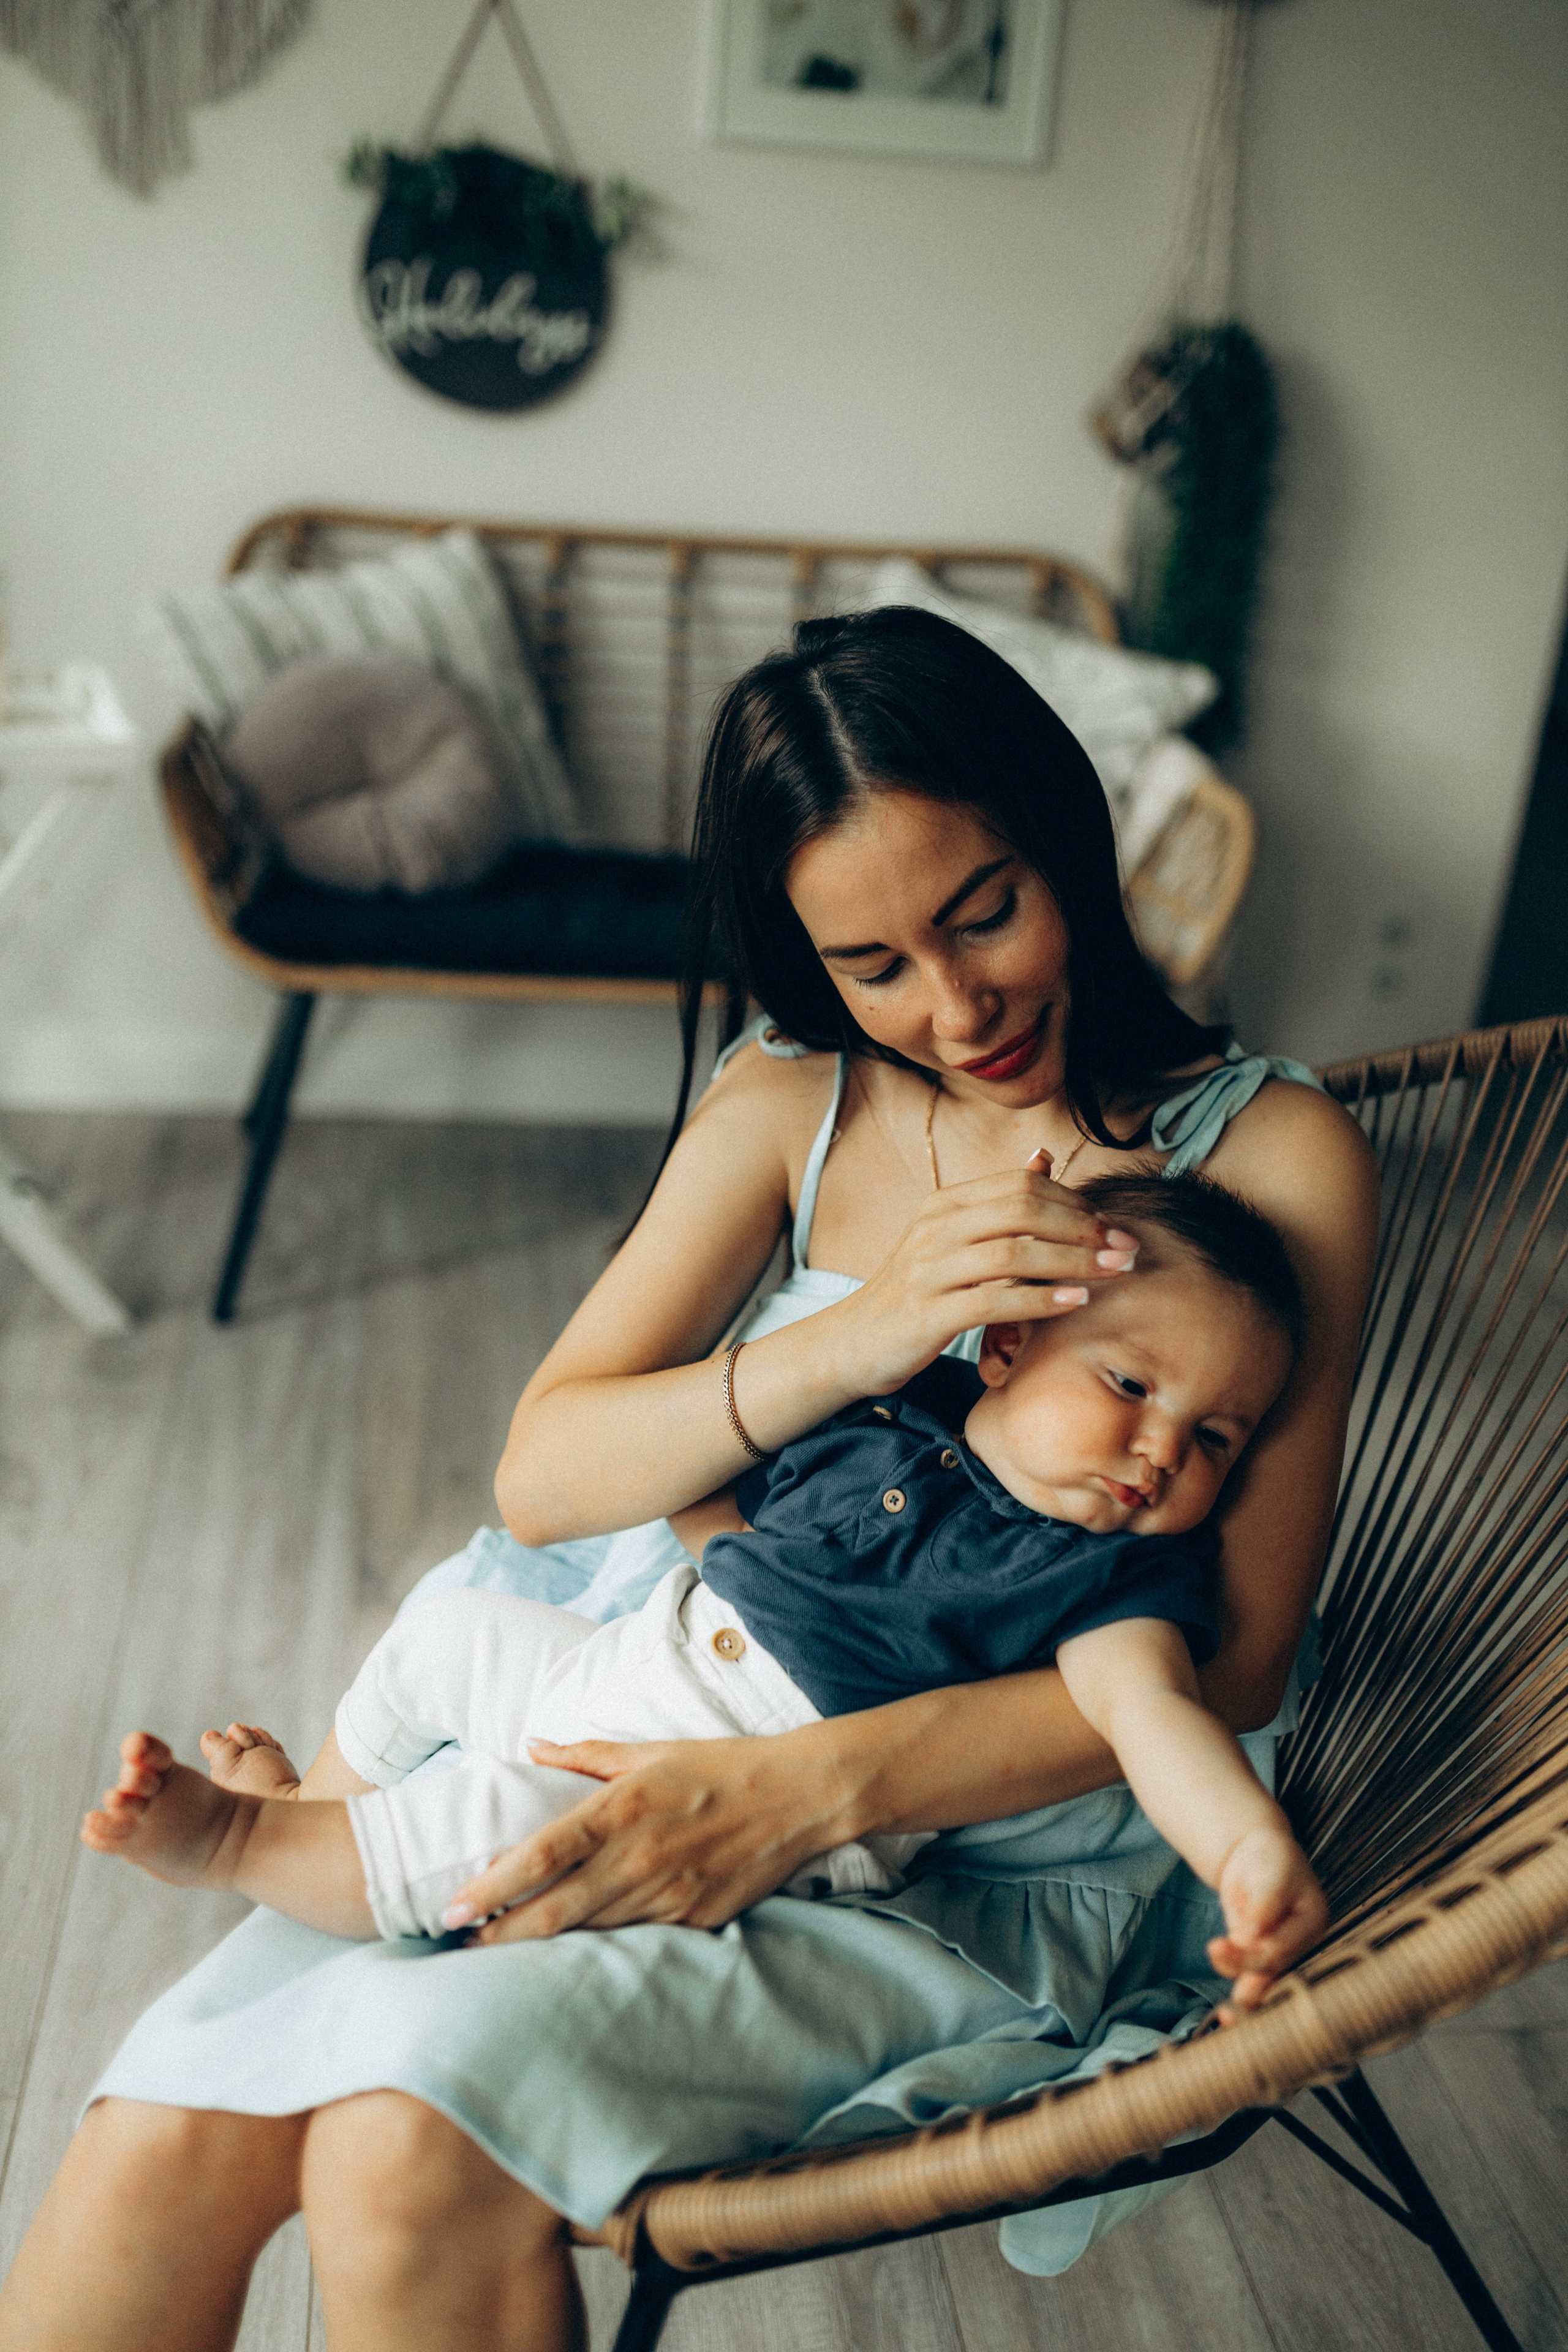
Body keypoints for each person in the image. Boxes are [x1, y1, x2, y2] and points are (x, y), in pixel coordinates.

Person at [0, 608, 1379, 2352]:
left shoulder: (1266, 1154)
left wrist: (806, 1791)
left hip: (957, 1855)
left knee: (399, 2153)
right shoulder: (791, 1101)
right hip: (614, 1701)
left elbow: (1239, 1654)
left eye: (987, 912)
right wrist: (866, 1331)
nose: (958, 1007)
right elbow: (546, 1469)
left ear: (1067, 839)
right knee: (154, 2151)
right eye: (875, 963)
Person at [81, 1171, 1327, 2010]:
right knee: (445, 1630)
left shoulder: (1114, 1574)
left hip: (727, 1795)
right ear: (1005, 1343)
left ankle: (248, 1843)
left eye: (1215, 1437)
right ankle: (324, 1798)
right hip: (628, 1667)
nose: (1163, 1451)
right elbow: (722, 1498)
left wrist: (1246, 1847)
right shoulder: (895, 1412)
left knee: (500, 1825)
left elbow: (1158, 1719)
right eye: (1129, 1388)